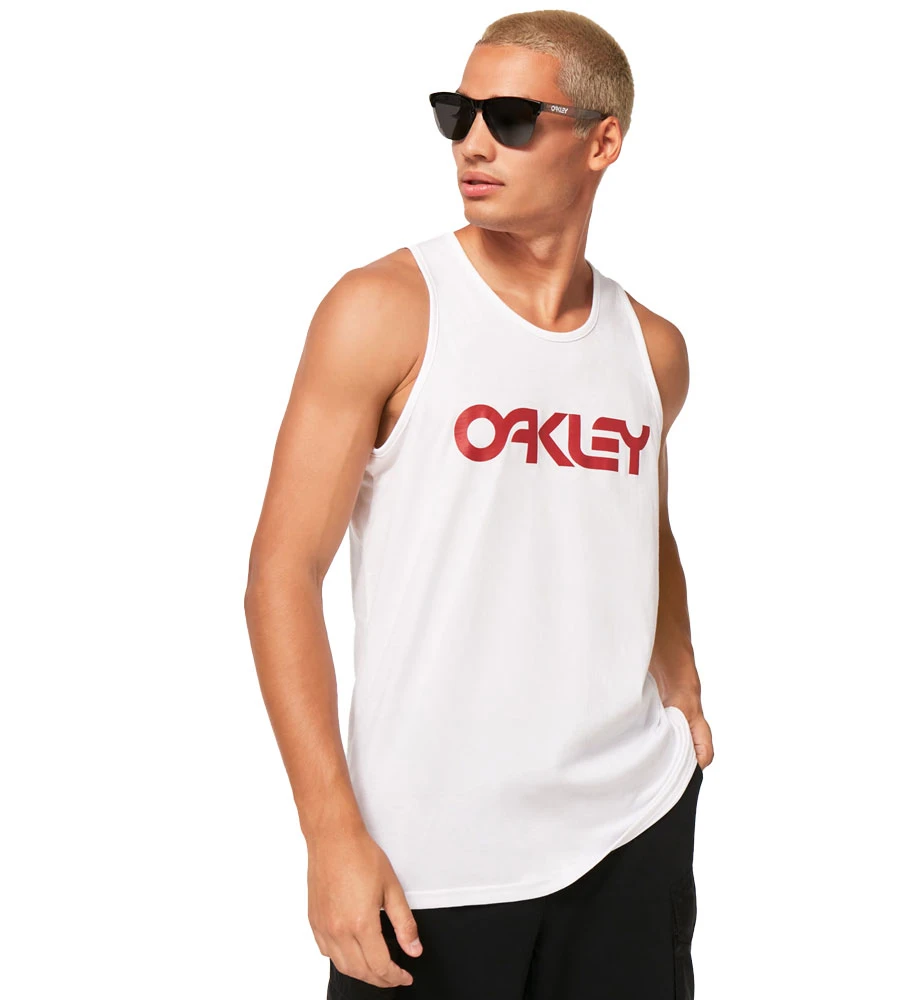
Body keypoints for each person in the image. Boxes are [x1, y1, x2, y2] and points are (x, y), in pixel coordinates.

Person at [244, 10, 715, 999]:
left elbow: (641, 521)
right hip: (430, 856)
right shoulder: (385, 308)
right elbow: (282, 574)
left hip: (630, 826)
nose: (472, 143)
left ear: (602, 141)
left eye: (510, 117)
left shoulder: (652, 350)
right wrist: (329, 831)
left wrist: (682, 681)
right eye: (456, 113)